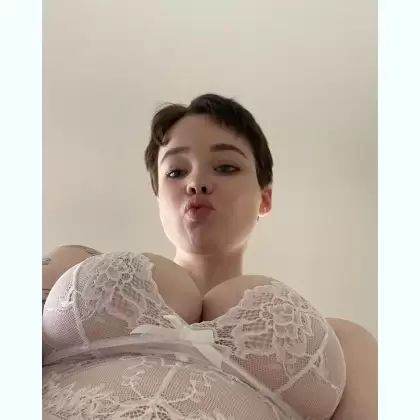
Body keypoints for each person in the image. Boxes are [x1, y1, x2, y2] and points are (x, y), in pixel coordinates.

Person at [42, 94, 377, 419]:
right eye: (176, 172)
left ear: (265, 199)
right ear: (159, 199)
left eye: (226, 167)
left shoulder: (336, 344)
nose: (197, 182)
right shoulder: (79, 276)